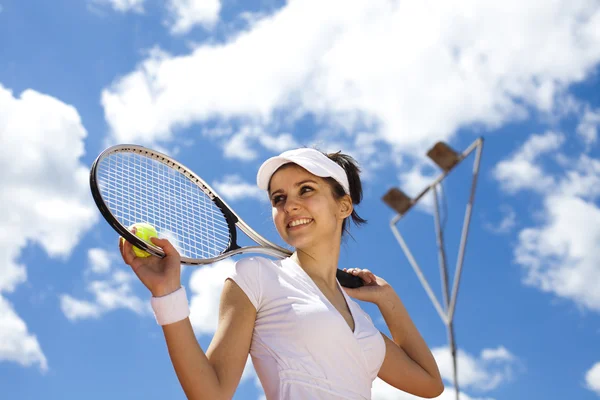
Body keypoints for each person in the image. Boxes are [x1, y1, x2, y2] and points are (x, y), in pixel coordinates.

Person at [119, 147, 444, 400]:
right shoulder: (256, 276)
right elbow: (210, 394)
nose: (290, 205)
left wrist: (388, 300)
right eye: (279, 198)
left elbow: (430, 384)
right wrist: (167, 295)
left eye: (306, 190)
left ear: (343, 206)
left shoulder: (361, 320)